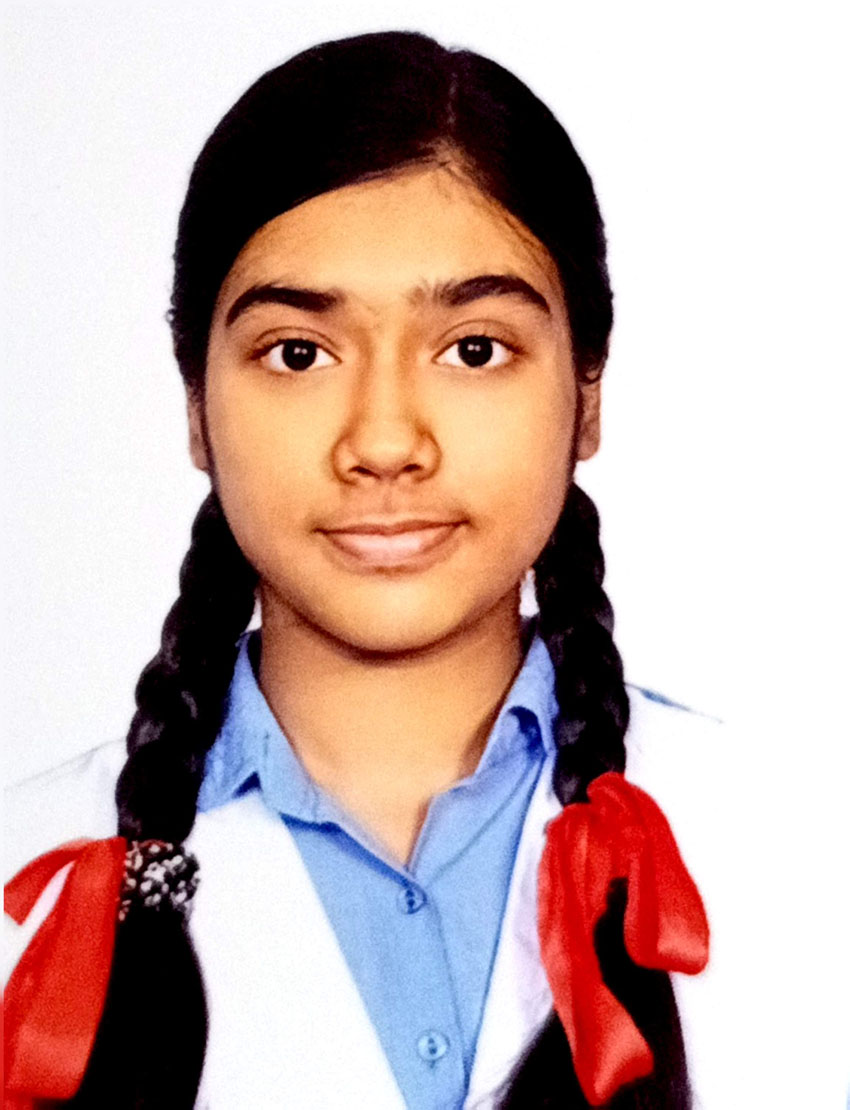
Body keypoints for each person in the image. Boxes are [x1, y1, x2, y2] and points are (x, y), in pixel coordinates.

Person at [3, 30, 715, 1110]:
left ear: (588, 394)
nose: (384, 442)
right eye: (298, 353)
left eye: (473, 349)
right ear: (196, 406)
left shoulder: (805, 844)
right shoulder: (19, 876)